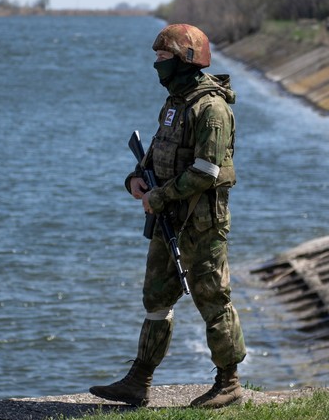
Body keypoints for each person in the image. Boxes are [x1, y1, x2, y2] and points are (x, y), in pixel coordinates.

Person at [89, 24, 246, 409]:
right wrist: (135, 180)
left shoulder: (211, 108)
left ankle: (229, 382)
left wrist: (160, 196)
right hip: (169, 218)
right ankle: (138, 380)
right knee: (156, 297)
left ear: (185, 61)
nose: (156, 65)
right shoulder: (176, 102)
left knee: (213, 299)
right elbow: (160, 148)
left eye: (163, 58)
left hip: (202, 222)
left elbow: (206, 171)